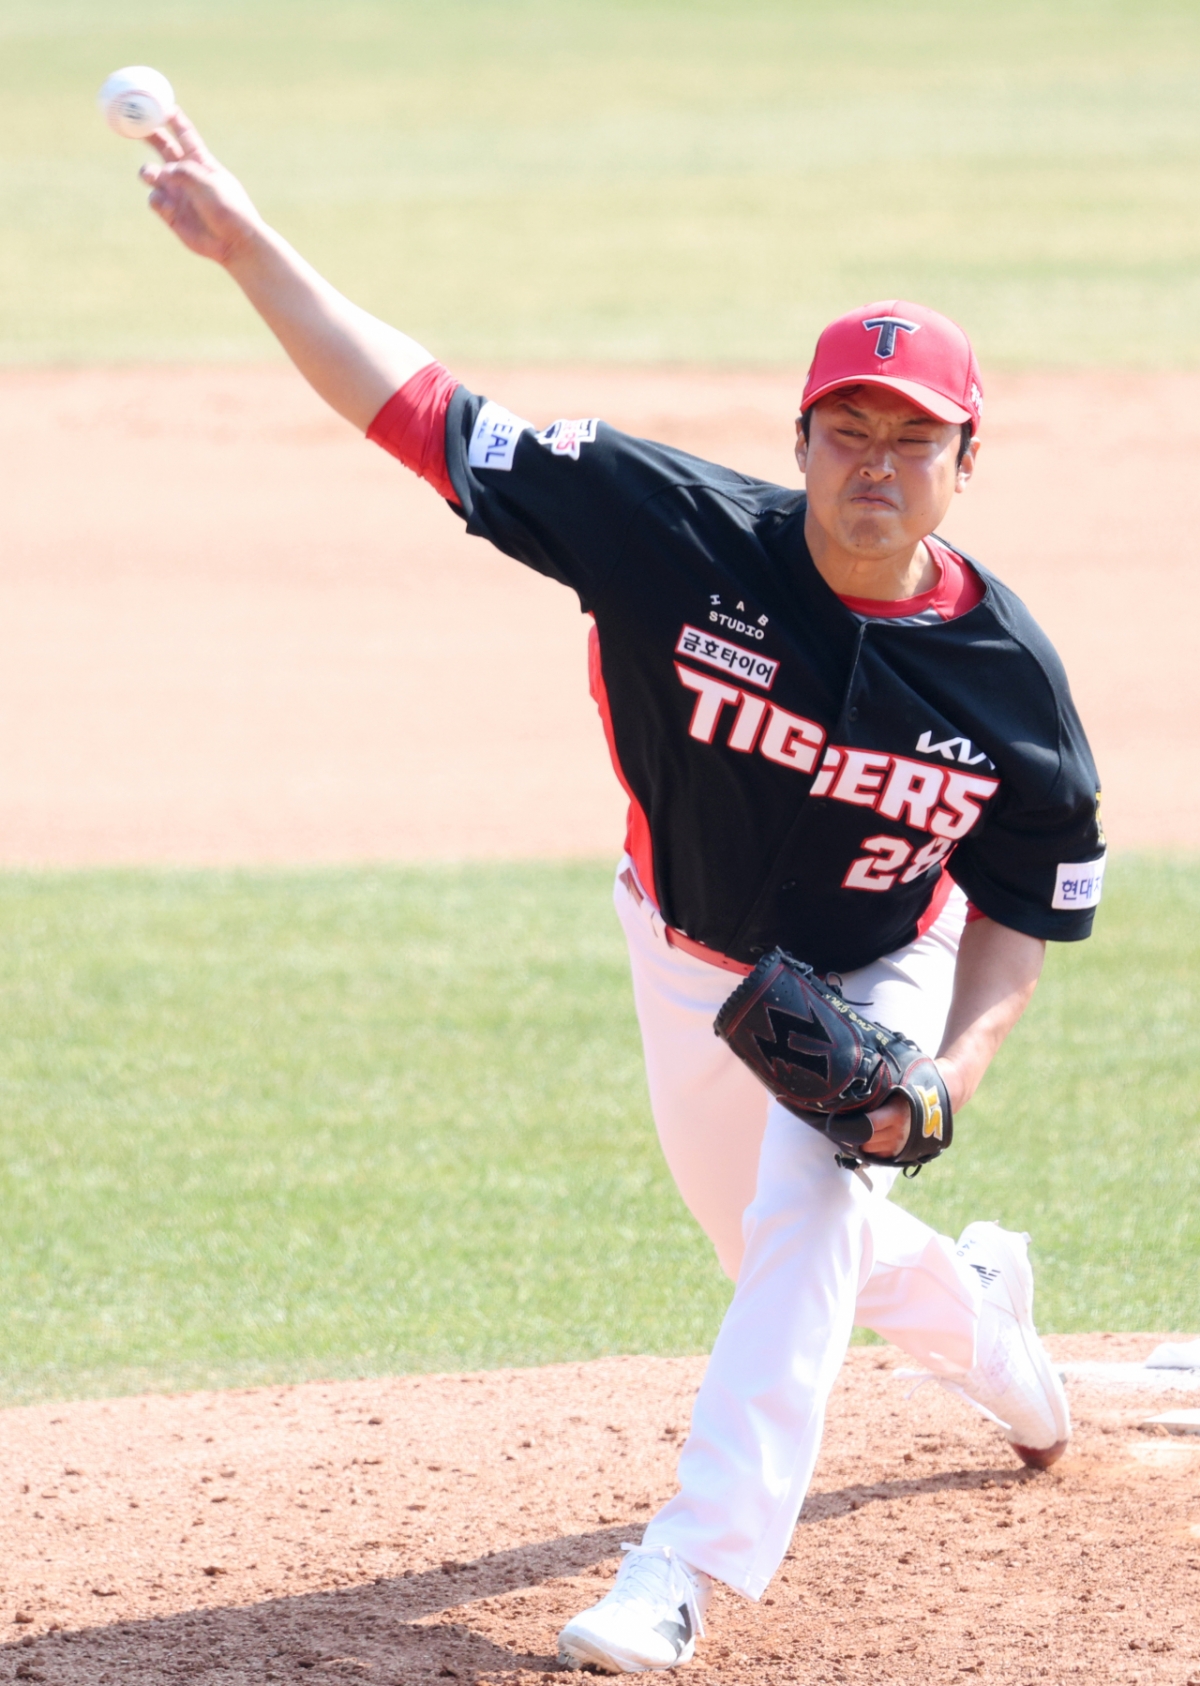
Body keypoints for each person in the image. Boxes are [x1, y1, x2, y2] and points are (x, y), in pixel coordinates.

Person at [137, 112, 1105, 1674]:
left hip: (875, 970)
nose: (876, 461)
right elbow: (426, 413)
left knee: (812, 1208)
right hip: (683, 956)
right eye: (848, 429)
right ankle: (997, 1332)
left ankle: (685, 1567)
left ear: (964, 463)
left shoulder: (1011, 687)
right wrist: (249, 249)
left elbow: (1024, 909)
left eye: (913, 437)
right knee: (786, 1252)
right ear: (800, 442)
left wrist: (948, 1067)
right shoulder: (672, 533)